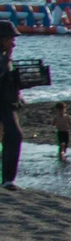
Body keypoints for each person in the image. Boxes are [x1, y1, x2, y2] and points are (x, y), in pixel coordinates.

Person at [1, 22, 22, 189]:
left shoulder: (6, 57)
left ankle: (8, 179)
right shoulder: (4, 58)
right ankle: (8, 179)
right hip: (3, 104)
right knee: (14, 136)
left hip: (7, 103)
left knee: (13, 136)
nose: (13, 43)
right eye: (10, 39)